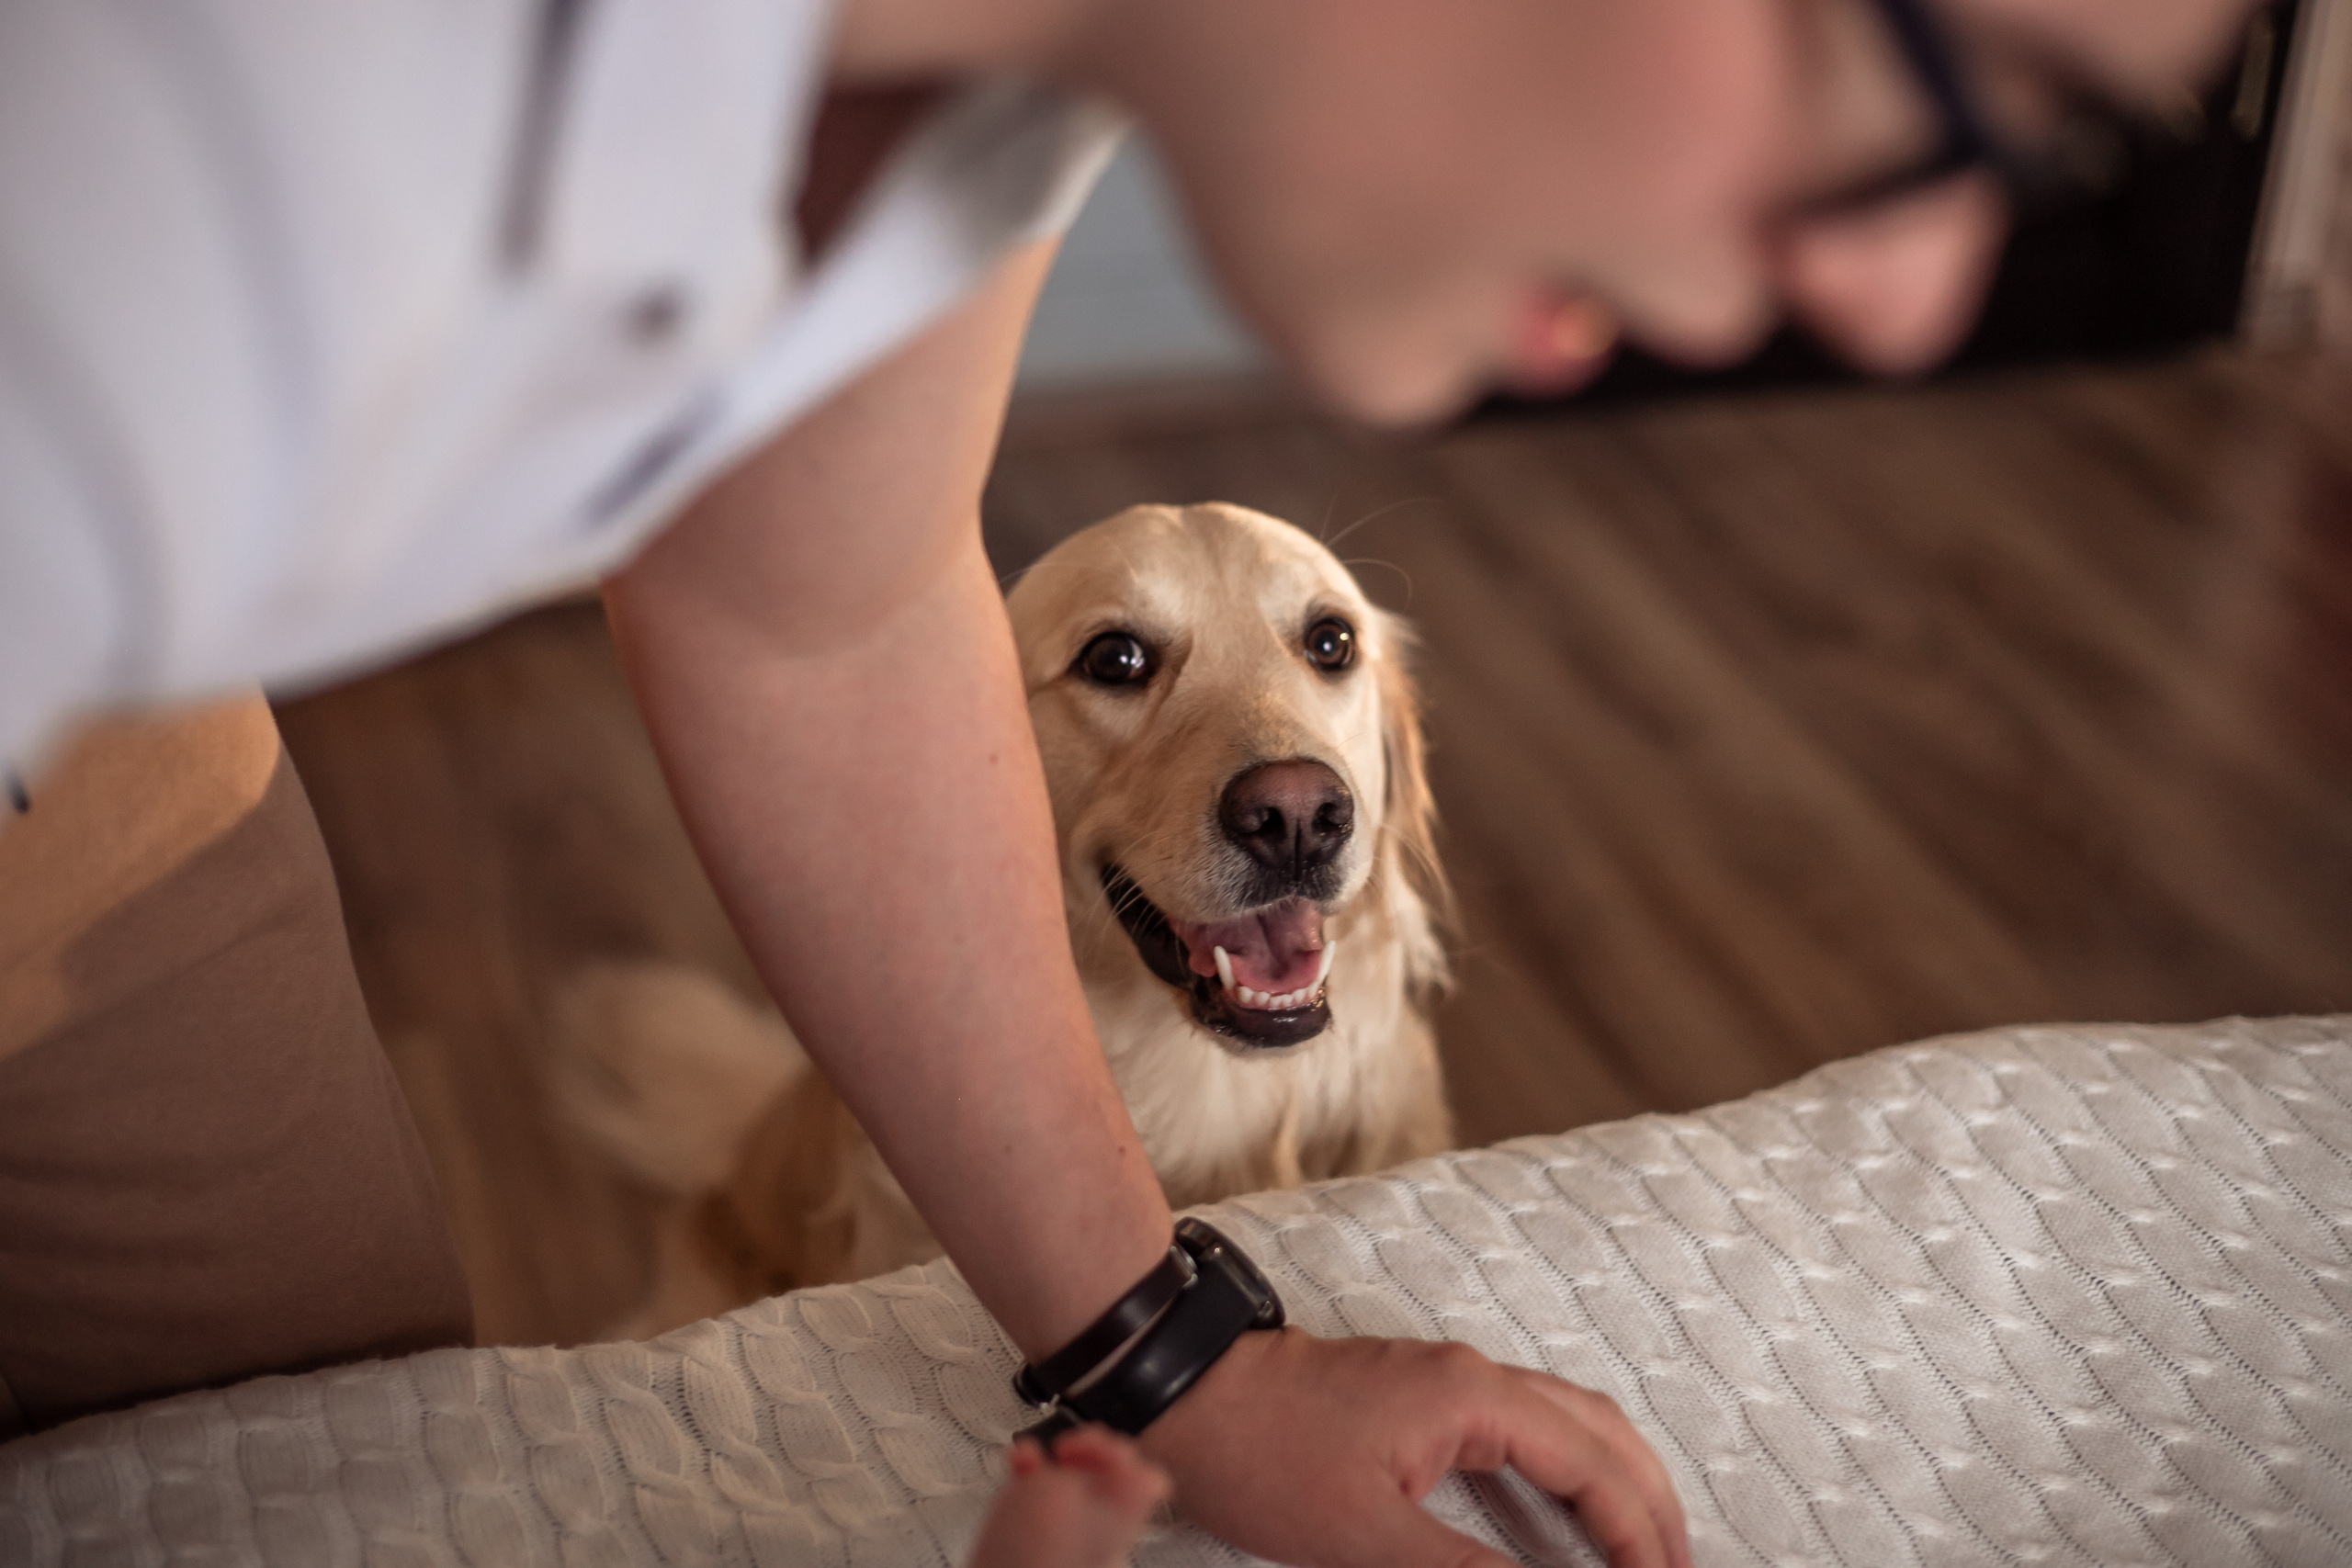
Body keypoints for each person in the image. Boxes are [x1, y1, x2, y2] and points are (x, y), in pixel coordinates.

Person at [0, 0, 2256, 1564]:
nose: (1904, 288)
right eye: (1943, 69)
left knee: (306, 1439)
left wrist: (1186, 1360)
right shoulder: (141, 213)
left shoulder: (1004, 96)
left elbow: (822, 600)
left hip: (117, 769)